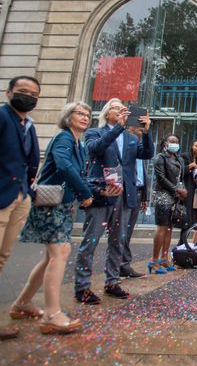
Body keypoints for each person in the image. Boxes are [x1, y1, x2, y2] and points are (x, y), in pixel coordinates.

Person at [14, 102, 98, 335]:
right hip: (51, 203)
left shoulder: (79, 143)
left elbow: (78, 172)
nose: (84, 117)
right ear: (67, 116)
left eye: (88, 114)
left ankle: (22, 303)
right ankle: (52, 314)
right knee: (60, 252)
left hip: (62, 203)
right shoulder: (64, 138)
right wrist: (85, 192)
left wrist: (92, 190)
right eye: (79, 113)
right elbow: (63, 166)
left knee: (52, 255)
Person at [74, 98, 153, 304]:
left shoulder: (130, 137)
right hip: (103, 193)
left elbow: (146, 154)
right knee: (91, 240)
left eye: (123, 109)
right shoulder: (95, 132)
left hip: (124, 194)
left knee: (118, 240)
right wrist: (118, 127)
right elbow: (96, 149)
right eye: (116, 108)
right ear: (106, 112)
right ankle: (82, 287)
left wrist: (146, 133)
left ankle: (112, 281)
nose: (121, 112)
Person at [0, 76, 40, 340]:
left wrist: (26, 190)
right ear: (8, 92)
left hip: (19, 195)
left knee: (3, 256)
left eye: (33, 93)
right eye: (22, 91)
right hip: (2, 194)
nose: (27, 96)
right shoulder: (3, 117)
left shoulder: (28, 124)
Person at [150, 135, 186, 274]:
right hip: (163, 195)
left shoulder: (179, 159)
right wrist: (177, 189)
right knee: (162, 227)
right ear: (165, 143)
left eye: (176, 142)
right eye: (171, 141)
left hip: (175, 197)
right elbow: (161, 178)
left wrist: (181, 190)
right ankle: (154, 260)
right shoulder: (160, 158)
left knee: (170, 228)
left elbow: (180, 178)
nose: (174, 144)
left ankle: (164, 258)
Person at [120, 126, 152, 279]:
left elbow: (143, 175)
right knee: (121, 231)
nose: (140, 130)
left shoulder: (141, 151)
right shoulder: (126, 146)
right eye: (137, 128)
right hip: (125, 191)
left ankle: (124, 264)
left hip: (138, 192)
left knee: (128, 230)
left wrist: (145, 197)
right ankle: (119, 265)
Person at [179, 139, 197, 245]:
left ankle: (183, 242)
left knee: (191, 219)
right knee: (186, 218)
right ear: (192, 146)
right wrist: (189, 167)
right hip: (185, 190)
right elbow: (178, 171)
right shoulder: (184, 156)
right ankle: (181, 242)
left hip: (194, 191)